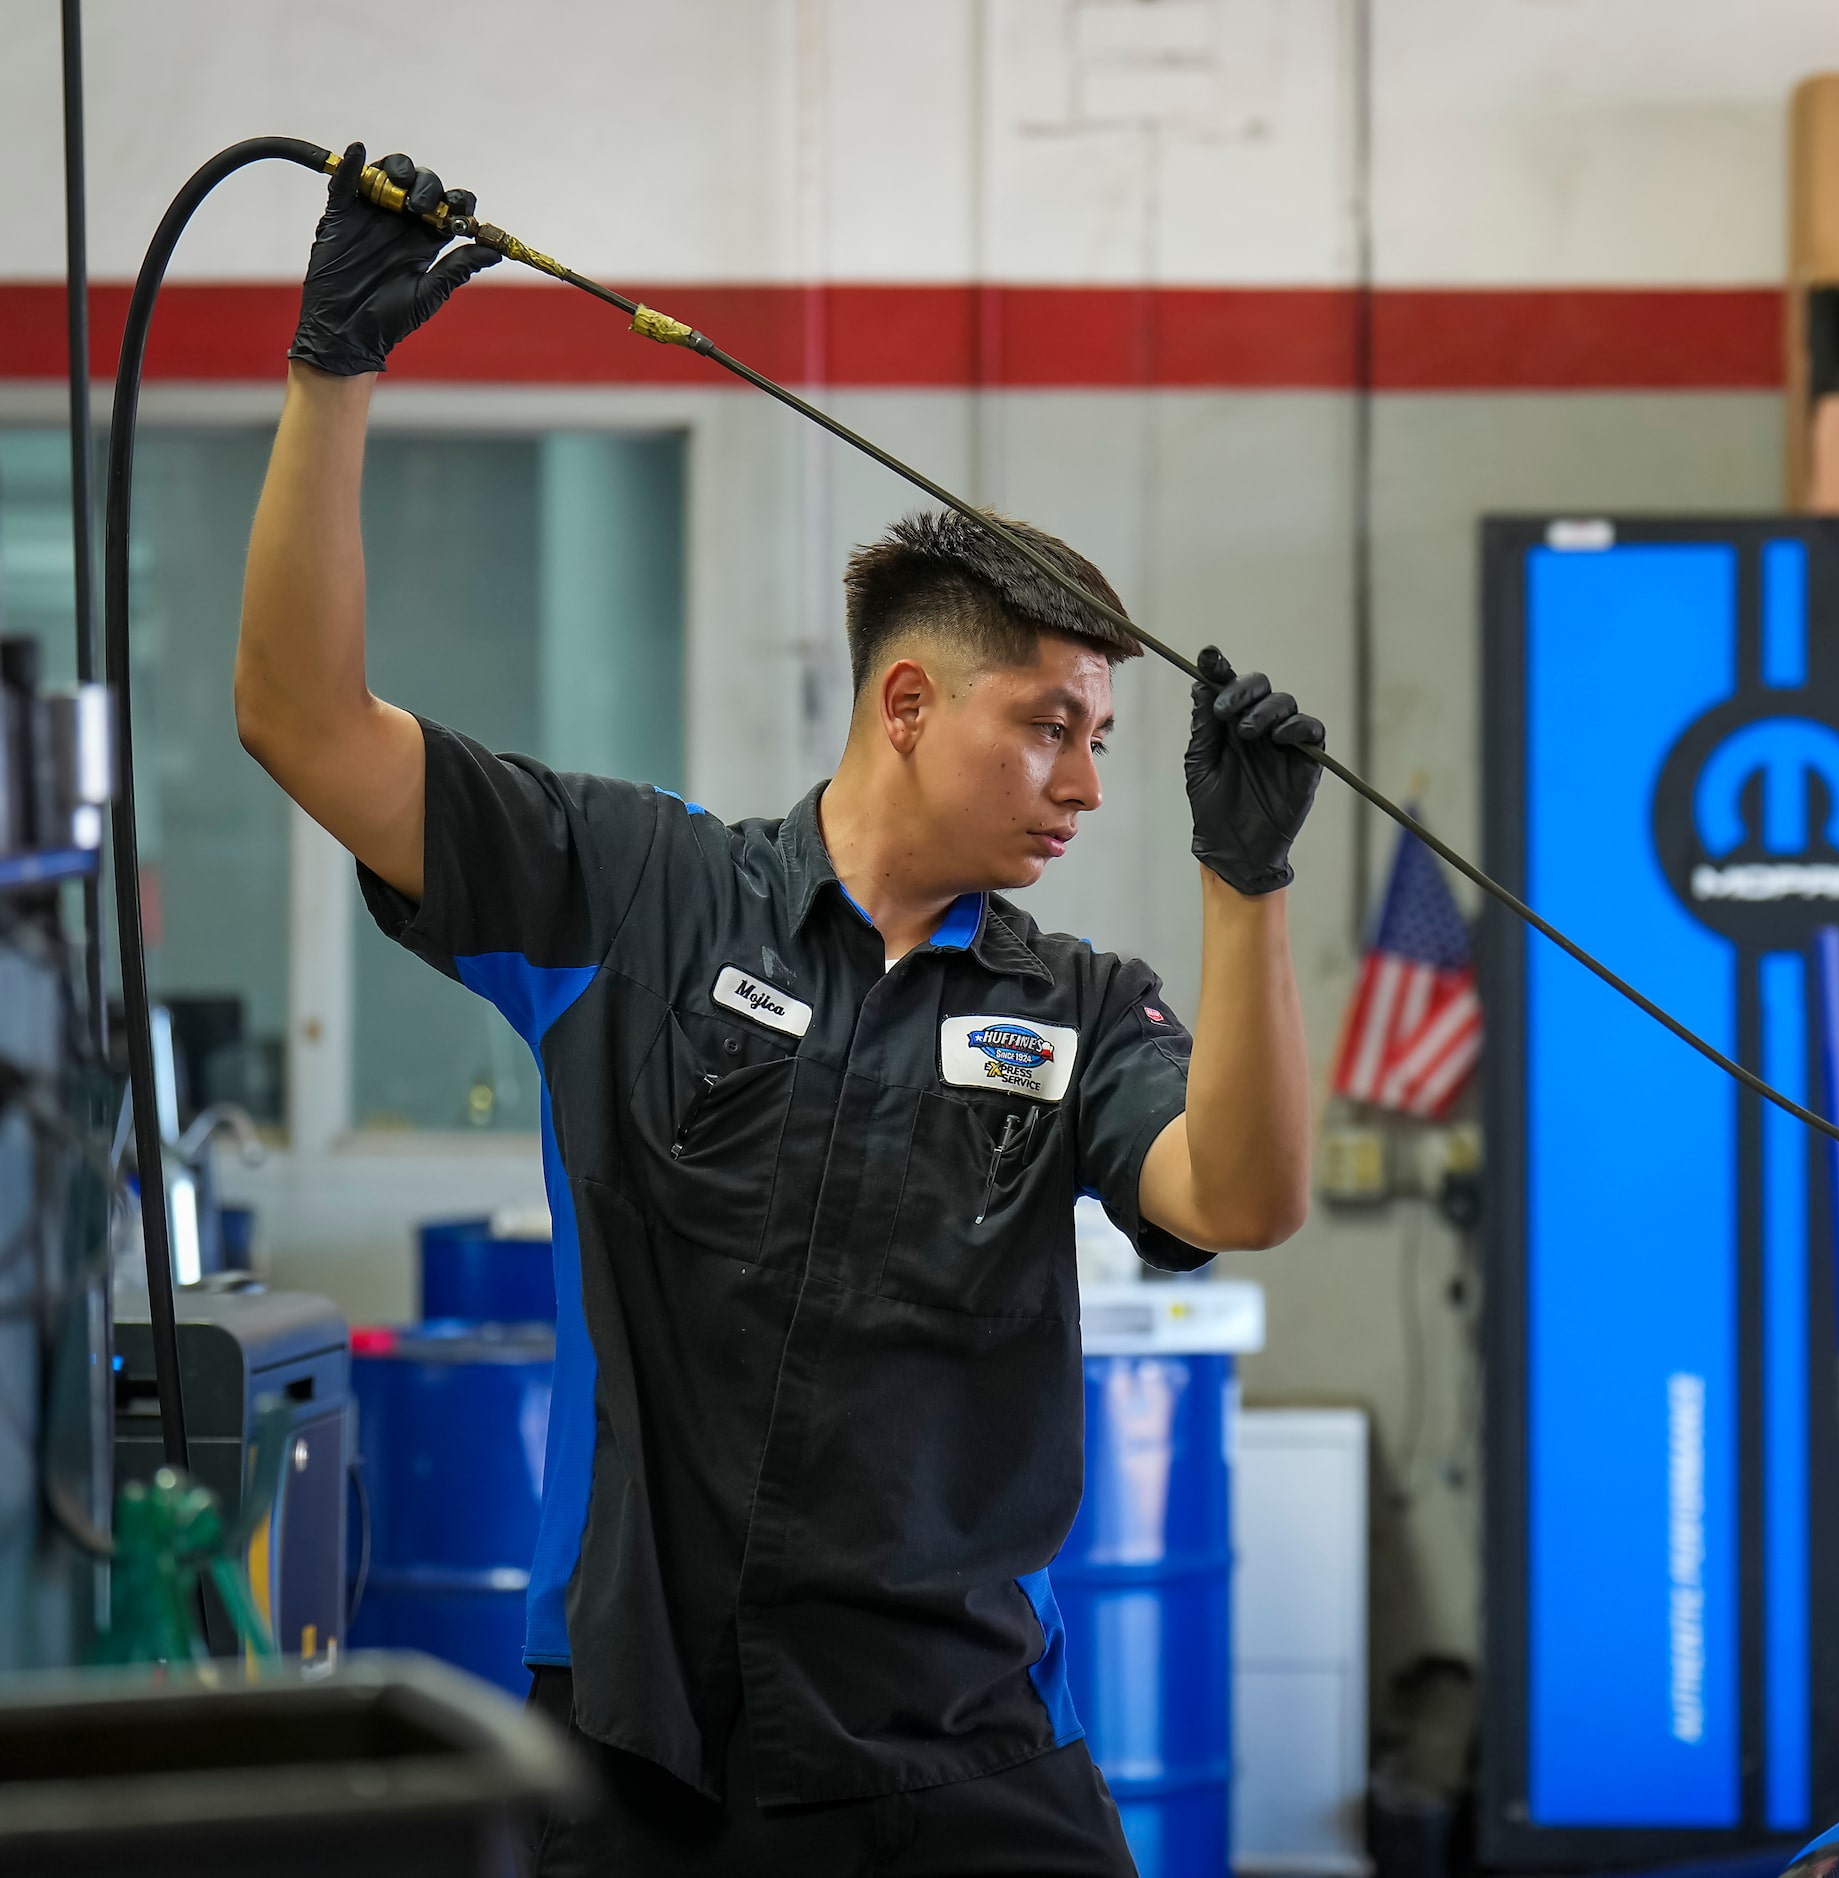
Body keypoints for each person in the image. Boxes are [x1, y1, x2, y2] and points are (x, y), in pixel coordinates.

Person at [237, 148, 1322, 1875]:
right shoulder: (633, 891)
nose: (1085, 784)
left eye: (1102, 738)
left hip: (952, 1747)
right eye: (1051, 724)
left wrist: (1246, 886)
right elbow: (302, 717)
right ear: (908, 700)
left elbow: (1244, 1194)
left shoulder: (1080, 1006)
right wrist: (333, 370)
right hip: (640, 1732)